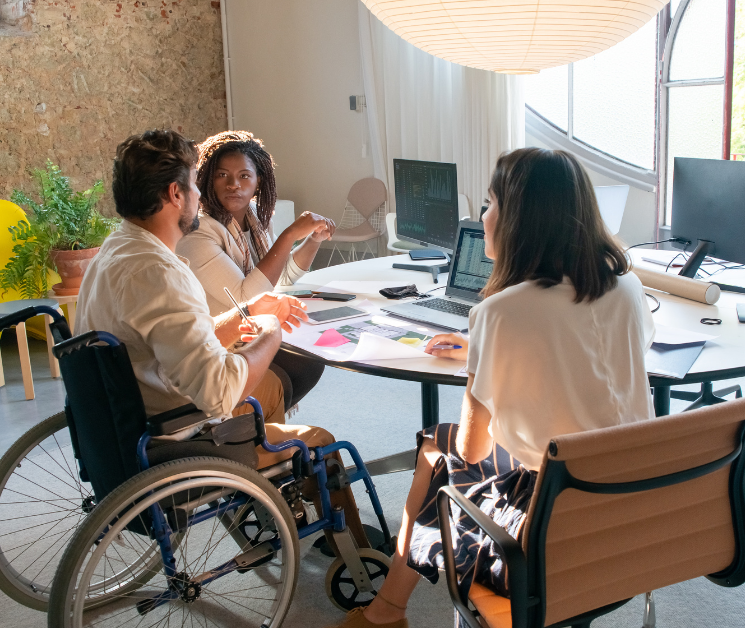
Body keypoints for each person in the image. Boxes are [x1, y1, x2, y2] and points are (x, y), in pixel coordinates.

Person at [330, 148, 656, 628]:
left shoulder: (501, 313)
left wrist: (483, 360)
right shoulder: (625, 286)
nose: (483, 217)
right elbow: (594, 360)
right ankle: (386, 612)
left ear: (521, 220)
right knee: (438, 448)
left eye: (491, 203)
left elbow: (473, 445)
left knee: (439, 450)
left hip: (547, 520)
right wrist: (489, 351)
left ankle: (386, 613)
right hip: (629, 501)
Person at [77, 129, 369, 547]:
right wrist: (268, 331)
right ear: (177, 194)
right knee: (320, 440)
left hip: (122, 420)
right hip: (178, 436)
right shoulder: (163, 272)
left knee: (286, 369)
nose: (202, 194)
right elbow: (218, 391)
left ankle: (277, 499)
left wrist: (244, 315)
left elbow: (173, 336)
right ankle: (357, 556)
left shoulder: (117, 249)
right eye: (198, 183)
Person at [177, 130, 334, 413]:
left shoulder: (254, 219)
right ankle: (251, 425)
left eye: (244, 176)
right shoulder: (199, 232)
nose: (233, 185)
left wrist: (312, 240)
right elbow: (248, 295)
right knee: (291, 367)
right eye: (222, 175)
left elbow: (279, 277)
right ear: (208, 178)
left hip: (250, 330)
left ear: (259, 181)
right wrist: (289, 235)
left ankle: (260, 424)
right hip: (219, 344)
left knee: (311, 354)